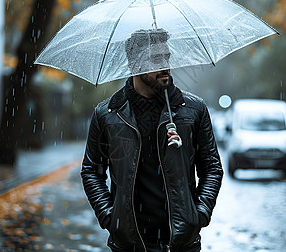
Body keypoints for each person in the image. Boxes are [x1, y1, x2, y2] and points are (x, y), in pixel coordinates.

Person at [81, 28, 223, 252]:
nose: (165, 65)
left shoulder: (193, 110)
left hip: (180, 242)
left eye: (166, 56)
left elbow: (212, 168)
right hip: (128, 243)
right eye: (156, 59)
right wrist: (109, 217)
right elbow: (91, 170)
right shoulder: (108, 114)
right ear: (135, 64)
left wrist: (199, 214)